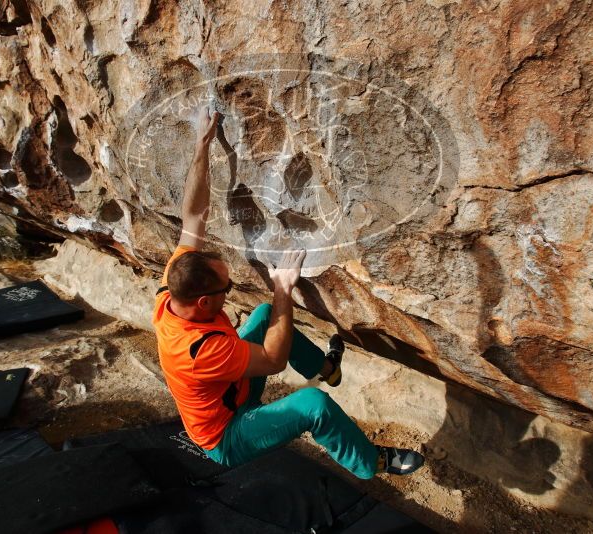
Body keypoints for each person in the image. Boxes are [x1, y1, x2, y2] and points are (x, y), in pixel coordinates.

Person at [152, 106, 423, 479]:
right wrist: (283, 288)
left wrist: (203, 144)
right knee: (313, 404)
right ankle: (371, 462)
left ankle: (326, 368)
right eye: (226, 289)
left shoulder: (176, 285)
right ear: (203, 302)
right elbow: (274, 361)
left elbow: (194, 215)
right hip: (227, 436)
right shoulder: (200, 351)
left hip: (234, 390)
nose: (230, 292)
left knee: (263, 317)